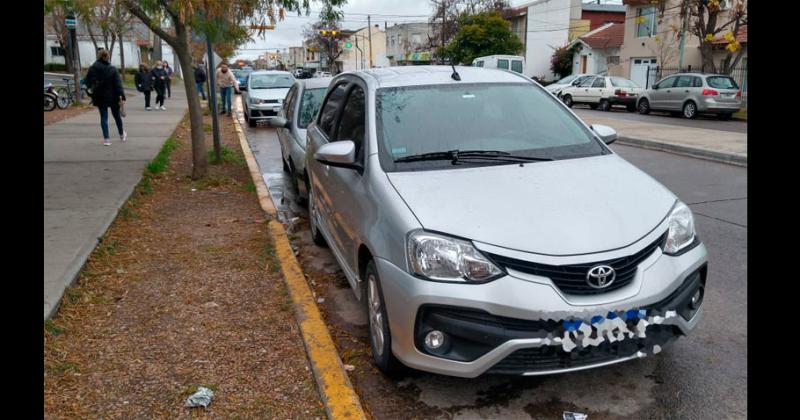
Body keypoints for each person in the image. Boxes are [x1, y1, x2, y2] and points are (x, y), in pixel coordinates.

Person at [85, 48, 126, 146]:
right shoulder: (112, 69)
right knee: (116, 116)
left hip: (99, 96)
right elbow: (118, 84)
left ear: (99, 56)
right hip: (113, 96)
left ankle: (107, 139)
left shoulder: (92, 68)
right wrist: (122, 96)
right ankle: (121, 134)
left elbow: (87, 82)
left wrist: (92, 88)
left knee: (104, 117)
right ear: (108, 57)